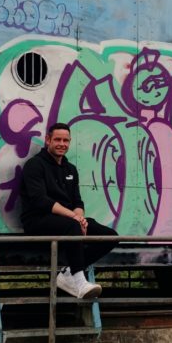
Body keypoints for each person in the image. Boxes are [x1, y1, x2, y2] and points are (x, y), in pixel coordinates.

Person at [19, 122, 119, 298]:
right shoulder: (34, 165)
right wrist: (74, 218)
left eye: (66, 140)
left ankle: (67, 274)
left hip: (67, 221)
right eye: (57, 139)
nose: (62, 144)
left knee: (110, 236)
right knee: (72, 227)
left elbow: (77, 200)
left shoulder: (70, 169)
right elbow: (40, 200)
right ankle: (79, 282)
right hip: (37, 220)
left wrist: (80, 217)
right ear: (48, 140)